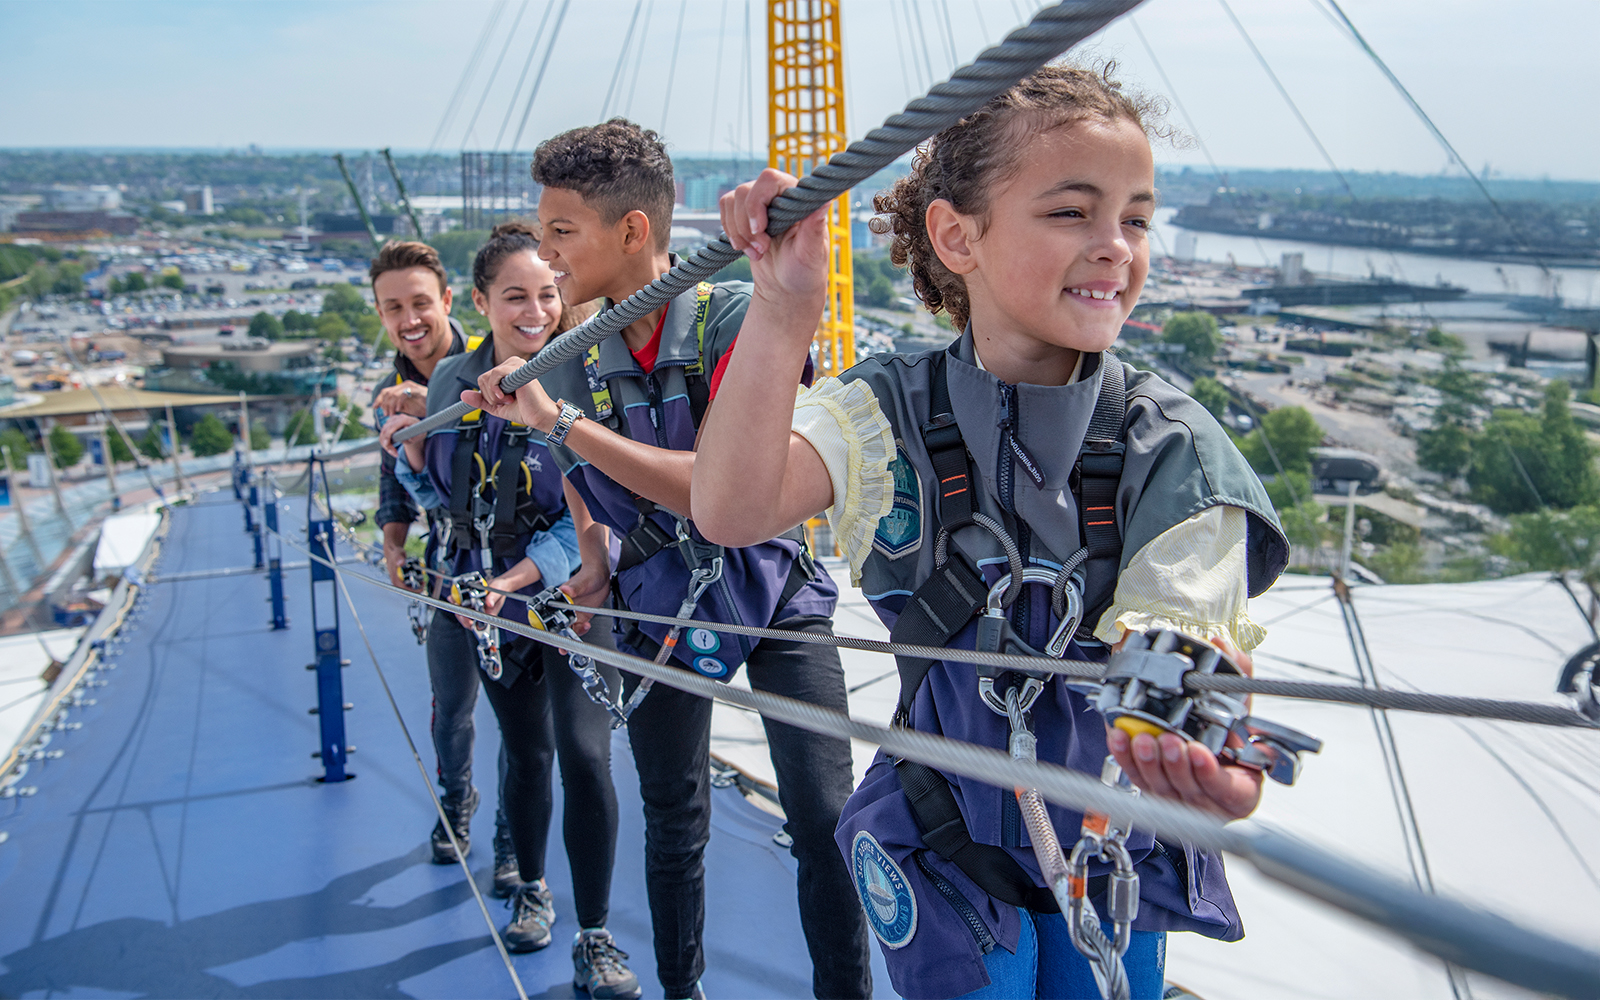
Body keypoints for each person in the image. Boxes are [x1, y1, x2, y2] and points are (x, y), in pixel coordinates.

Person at [690, 65, 1290, 999]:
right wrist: (782, 308)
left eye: (1135, 218)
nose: (1115, 248)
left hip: (1105, 844)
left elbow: (1180, 629)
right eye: (1071, 213)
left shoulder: (1170, 447)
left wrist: (1203, 746)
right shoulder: (884, 411)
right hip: (945, 835)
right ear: (956, 234)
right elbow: (730, 507)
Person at [460, 120, 873, 1000]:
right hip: (654, 602)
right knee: (674, 817)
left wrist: (560, 423)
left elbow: (718, 491)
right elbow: (578, 479)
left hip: (771, 593)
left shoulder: (734, 321)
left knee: (827, 818)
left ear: (633, 232)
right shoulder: (563, 359)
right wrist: (597, 560)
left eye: (561, 233)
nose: (547, 254)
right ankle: (680, 991)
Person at [381, 224, 639, 999]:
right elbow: (447, 505)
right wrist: (411, 454)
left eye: (547, 294)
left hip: (567, 599)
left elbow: (596, 505)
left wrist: (525, 574)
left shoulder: (586, 371)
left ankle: (595, 935)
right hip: (485, 602)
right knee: (525, 754)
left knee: (586, 759)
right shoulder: (451, 383)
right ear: (485, 303)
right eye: (516, 296)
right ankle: (531, 885)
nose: (535, 310)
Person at [368, 241, 523, 888]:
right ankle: (456, 800)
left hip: (516, 552)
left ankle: (517, 832)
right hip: (450, 550)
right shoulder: (391, 383)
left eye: (420, 303)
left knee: (521, 716)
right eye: (393, 308)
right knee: (451, 700)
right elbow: (394, 471)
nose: (409, 320)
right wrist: (394, 538)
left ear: (449, 303)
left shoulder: (486, 365)